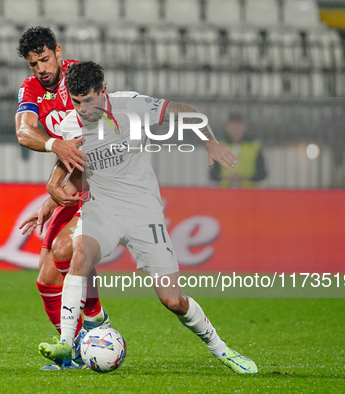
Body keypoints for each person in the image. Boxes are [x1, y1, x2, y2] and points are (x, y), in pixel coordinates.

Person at [37, 61, 258, 374]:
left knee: (173, 300)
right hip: (104, 209)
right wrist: (52, 191)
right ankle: (67, 343)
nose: (83, 109)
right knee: (78, 256)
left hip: (144, 212)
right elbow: (72, 165)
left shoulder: (131, 106)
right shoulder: (70, 125)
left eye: (89, 101)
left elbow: (186, 110)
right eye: (76, 102)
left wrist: (210, 142)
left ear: (103, 91)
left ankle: (222, 351)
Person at [14, 27, 109, 370]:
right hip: (74, 179)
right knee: (46, 278)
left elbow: (88, 142)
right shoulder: (31, 89)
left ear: (58, 51)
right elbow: (25, 132)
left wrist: (54, 189)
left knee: (65, 250)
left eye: (44, 59)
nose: (40, 68)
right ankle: (73, 353)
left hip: (103, 180)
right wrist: (51, 196)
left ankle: (96, 323)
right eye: (33, 63)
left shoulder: (79, 80)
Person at [210, 113, 267, 187]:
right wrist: (227, 178)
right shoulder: (220, 146)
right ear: (227, 127)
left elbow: (262, 173)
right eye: (233, 126)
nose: (235, 129)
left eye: (238, 126)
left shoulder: (254, 146)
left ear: (244, 127)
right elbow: (213, 174)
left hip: (249, 193)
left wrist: (243, 178)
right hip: (226, 192)